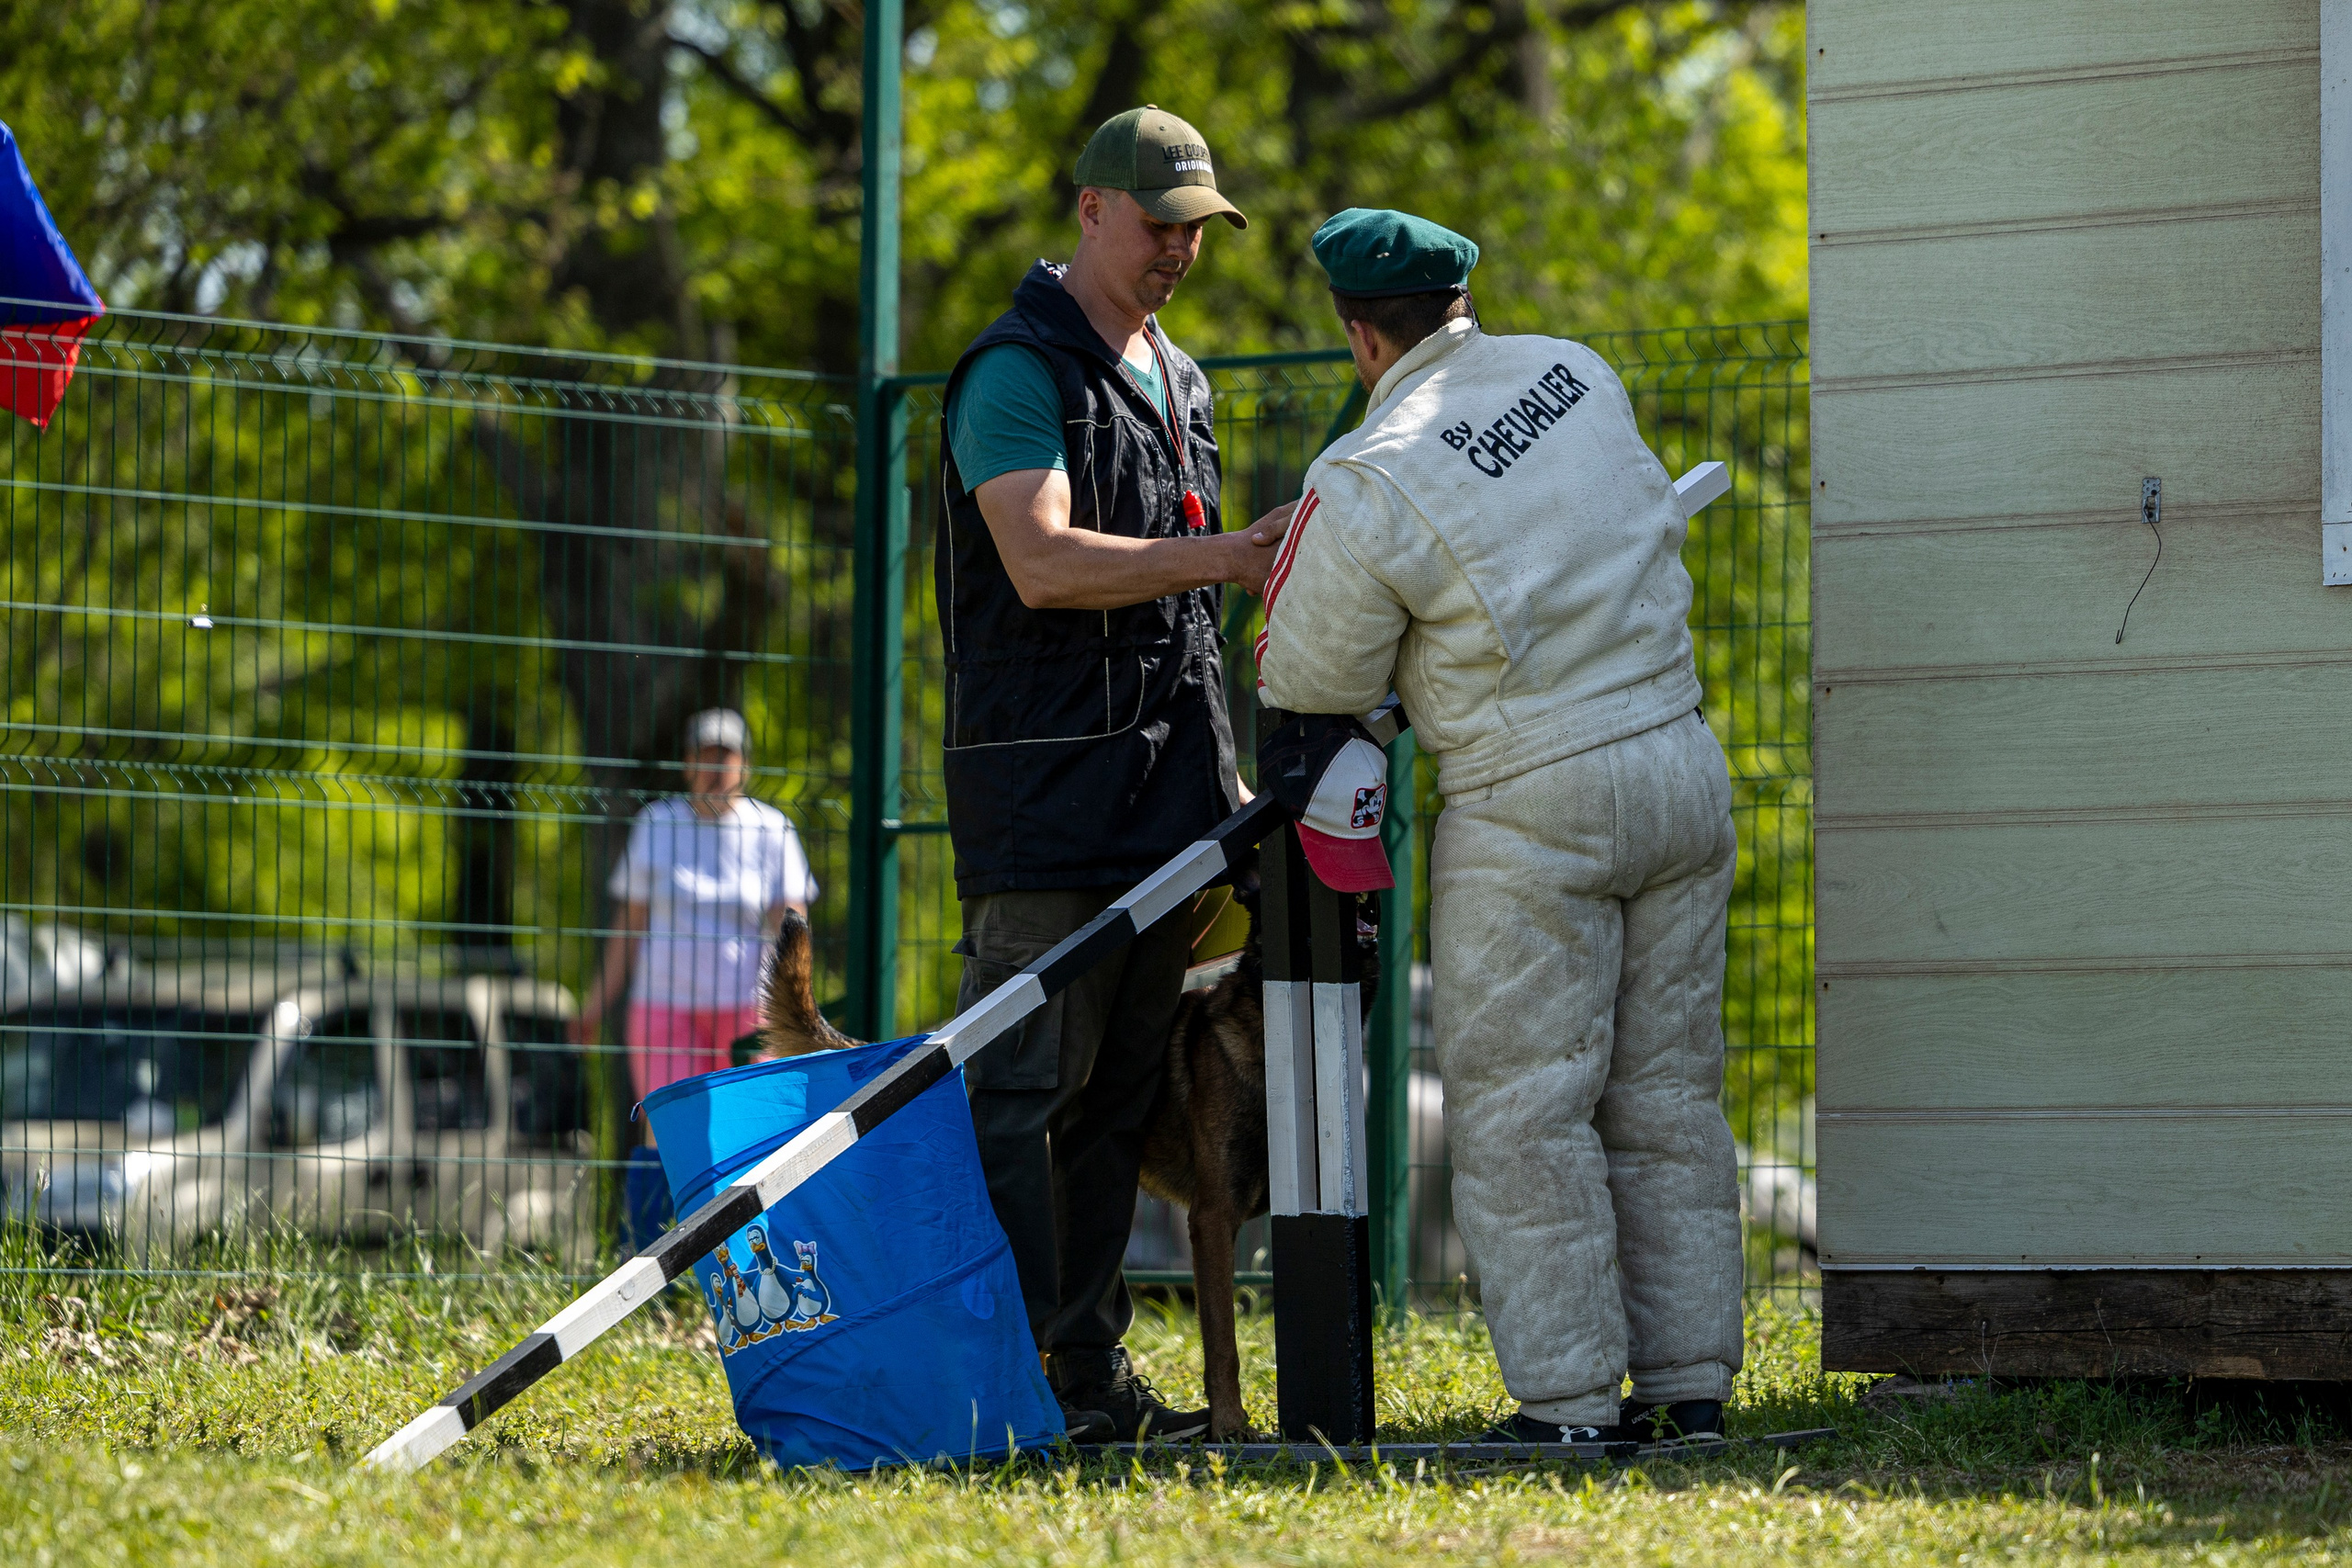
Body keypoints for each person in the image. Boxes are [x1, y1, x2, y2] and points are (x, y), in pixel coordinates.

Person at [1253, 209, 1744, 1447]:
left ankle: (1569, 1404)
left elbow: (1308, 672)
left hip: (1532, 802)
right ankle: (1688, 1385)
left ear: (1360, 336)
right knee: (1669, 1093)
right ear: (1462, 299)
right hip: (1680, 760)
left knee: (1526, 1108)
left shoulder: (1370, 472)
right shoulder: (1575, 370)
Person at [935, 106, 1291, 1442]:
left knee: (1116, 1108)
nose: (1179, 251)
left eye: (1197, 231)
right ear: (1089, 210)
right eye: (1158, 226)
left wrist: (1229, 774)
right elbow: (1040, 562)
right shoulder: (1014, 370)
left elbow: (1184, 618)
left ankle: (1084, 1379)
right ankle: (997, 1377)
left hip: (1171, 812)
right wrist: (1229, 556)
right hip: (1044, 810)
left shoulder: (1182, 379)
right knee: (1021, 1096)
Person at [573, 707, 820, 1244]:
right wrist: (595, 1004)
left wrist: (799, 1011)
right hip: (664, 1006)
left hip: (749, 1011)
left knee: (752, 1128)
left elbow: (792, 927)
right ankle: (647, 1258)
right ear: (686, 764)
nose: (715, 769)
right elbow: (629, 926)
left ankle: (752, 1256)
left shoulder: (771, 828)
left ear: (744, 765)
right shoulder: (657, 825)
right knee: (666, 1127)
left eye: (726, 757)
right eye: (705, 757)